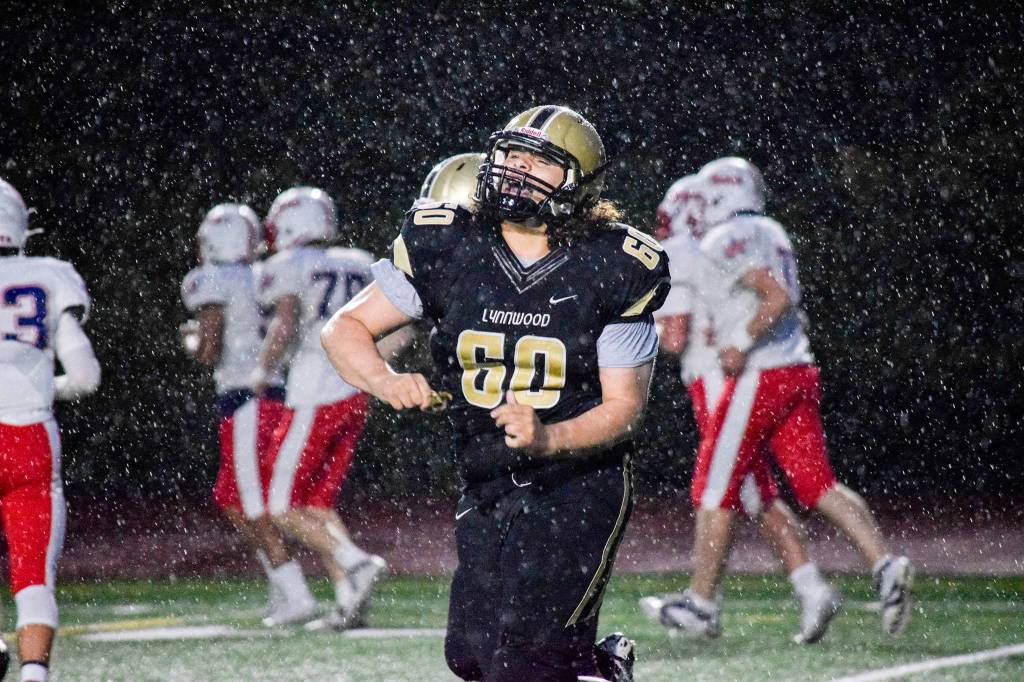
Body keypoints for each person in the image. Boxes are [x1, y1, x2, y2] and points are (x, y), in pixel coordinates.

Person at [321, 105, 668, 682]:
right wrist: (383, 380)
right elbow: (344, 329)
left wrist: (549, 434)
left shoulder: (614, 265)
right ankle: (600, 671)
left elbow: (624, 409)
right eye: (510, 155)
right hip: (486, 473)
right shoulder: (450, 243)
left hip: (578, 480)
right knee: (473, 658)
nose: (517, 170)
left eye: (539, 161)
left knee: (523, 662)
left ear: (576, 181)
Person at [651, 157, 913, 640]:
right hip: (796, 367)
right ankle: (884, 565)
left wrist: (741, 340)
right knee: (816, 485)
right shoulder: (771, 231)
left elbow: (773, 297)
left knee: (714, 486)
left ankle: (702, 603)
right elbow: (786, 297)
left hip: (759, 375)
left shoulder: (722, 239)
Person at [639, 174, 842, 644]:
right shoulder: (712, 245)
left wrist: (621, 327)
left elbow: (672, 336)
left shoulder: (685, 254)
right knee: (754, 494)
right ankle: (808, 586)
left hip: (719, 382)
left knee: (727, 490)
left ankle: (703, 602)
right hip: (729, 375)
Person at [253, 186, 395, 630]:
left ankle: (356, 562)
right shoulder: (359, 262)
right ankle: (349, 599)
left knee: (279, 504)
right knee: (316, 502)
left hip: (314, 388)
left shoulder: (293, 265)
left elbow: (286, 321)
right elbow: (394, 327)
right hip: (356, 390)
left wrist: (262, 370)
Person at [179, 203, 317, 627]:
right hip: (275, 392)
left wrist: (189, 342)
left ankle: (296, 594)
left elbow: (210, 347)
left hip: (245, 396)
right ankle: (283, 585)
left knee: (249, 501)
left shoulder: (212, 279)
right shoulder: (266, 273)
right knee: (234, 499)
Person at [0, 179, 101, 682]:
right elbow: (85, 377)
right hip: (28, 438)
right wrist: (37, 384)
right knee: (33, 574)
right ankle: (34, 676)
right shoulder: (48, 274)